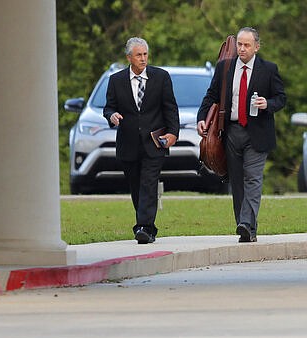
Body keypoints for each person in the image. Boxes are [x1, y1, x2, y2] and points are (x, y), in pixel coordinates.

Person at [197, 27, 286, 243]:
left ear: (256, 46)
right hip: (231, 131)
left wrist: (268, 104)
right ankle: (245, 226)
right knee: (236, 181)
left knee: (253, 179)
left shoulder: (269, 69)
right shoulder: (224, 67)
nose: (242, 48)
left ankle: (246, 223)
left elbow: (281, 98)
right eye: (239, 44)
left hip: (258, 132)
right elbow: (211, 95)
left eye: (247, 45)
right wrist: (202, 118)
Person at [103, 37, 180, 244]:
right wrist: (112, 116)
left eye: (145, 54)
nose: (143, 58)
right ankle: (147, 226)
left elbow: (170, 108)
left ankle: (143, 227)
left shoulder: (161, 77)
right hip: (128, 143)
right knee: (136, 186)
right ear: (129, 57)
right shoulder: (116, 80)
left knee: (149, 183)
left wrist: (173, 133)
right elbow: (109, 107)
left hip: (154, 142)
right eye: (139, 55)